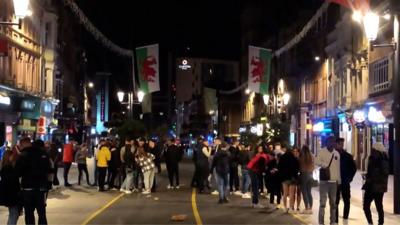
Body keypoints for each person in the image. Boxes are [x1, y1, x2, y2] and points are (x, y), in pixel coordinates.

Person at [15, 137, 52, 225]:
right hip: (41, 189)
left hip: (27, 189)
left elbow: (17, 173)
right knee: (42, 214)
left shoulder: (23, 155)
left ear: (23, 144)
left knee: (29, 214)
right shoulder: (43, 154)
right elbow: (49, 170)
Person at [315, 136, 341, 225]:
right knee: (323, 202)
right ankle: (321, 222)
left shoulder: (337, 153)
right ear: (327, 143)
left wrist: (339, 180)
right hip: (324, 181)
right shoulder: (322, 151)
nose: (332, 143)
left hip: (334, 182)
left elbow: (338, 168)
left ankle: (332, 221)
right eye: (330, 142)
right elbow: (316, 161)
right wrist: (324, 165)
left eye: (334, 142)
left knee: (333, 203)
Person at [362, 142, 390, 225]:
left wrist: (372, 178)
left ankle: (380, 223)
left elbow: (385, 174)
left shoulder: (384, 160)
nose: (372, 151)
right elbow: (371, 171)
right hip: (370, 186)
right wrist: (367, 176)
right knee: (366, 206)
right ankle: (370, 222)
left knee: (379, 206)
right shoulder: (371, 158)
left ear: (378, 151)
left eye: (373, 149)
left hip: (378, 187)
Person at [335, 138, 357, 223]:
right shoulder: (333, 155)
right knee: (335, 202)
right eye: (339, 144)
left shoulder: (348, 156)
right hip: (336, 182)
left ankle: (345, 217)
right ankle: (335, 219)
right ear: (336, 144)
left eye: (342, 144)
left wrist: (349, 178)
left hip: (345, 181)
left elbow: (353, 168)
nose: (341, 145)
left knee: (346, 200)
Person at [0, 149, 22, 225]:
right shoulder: (8, 168)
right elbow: (12, 182)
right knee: (14, 214)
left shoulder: (5, 167)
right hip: (12, 194)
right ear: (8, 156)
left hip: (9, 194)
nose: (13, 157)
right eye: (12, 156)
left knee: (13, 214)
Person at [278, 147, 300, 213]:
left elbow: (279, 167)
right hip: (292, 178)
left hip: (284, 178)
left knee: (285, 193)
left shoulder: (282, 157)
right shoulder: (294, 158)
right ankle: (291, 208)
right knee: (291, 194)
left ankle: (285, 208)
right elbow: (297, 168)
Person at [298, 145, 315, 214]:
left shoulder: (301, 157)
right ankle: (310, 207)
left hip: (303, 175)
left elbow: (299, 166)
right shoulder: (312, 156)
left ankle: (306, 207)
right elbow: (314, 166)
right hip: (310, 174)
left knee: (304, 192)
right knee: (309, 192)